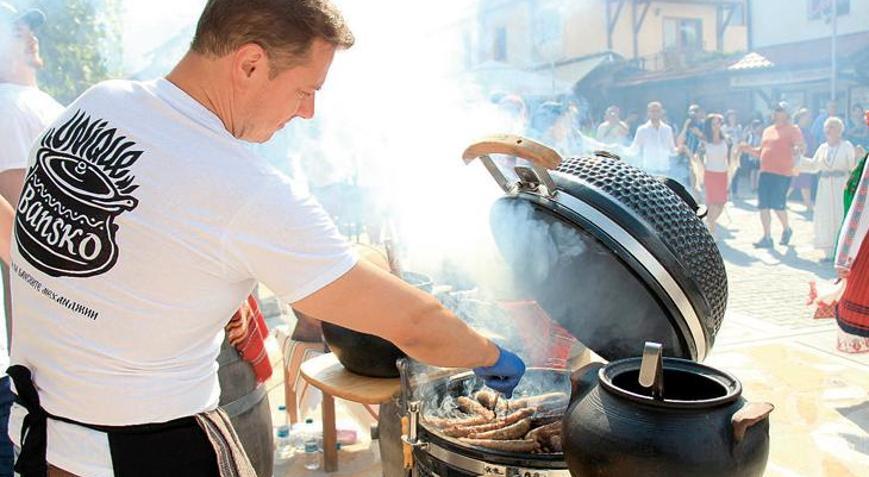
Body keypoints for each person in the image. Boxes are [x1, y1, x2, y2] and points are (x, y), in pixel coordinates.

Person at [6, 1, 526, 475]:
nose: (307, 112)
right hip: (141, 455)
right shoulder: (242, 187)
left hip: (36, 439)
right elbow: (411, 322)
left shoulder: (100, 101)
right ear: (250, 63)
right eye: (306, 90)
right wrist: (488, 355)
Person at [0, 4, 62, 476]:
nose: (28, 34)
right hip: (42, 358)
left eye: (28, 26)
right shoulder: (7, 107)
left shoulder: (30, 104)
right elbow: (29, 239)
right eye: (15, 28)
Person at [741, 102, 805, 249]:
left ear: (787, 113)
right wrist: (748, 149)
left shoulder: (793, 129)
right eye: (775, 109)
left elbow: (801, 146)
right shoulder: (767, 130)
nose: (776, 112)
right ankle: (767, 237)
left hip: (782, 173)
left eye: (780, 110)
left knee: (778, 205)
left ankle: (786, 229)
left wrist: (798, 148)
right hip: (765, 172)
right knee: (763, 205)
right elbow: (761, 151)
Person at [796, 117, 857, 261]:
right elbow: (814, 166)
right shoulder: (823, 148)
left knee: (840, 215)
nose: (828, 131)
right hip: (824, 187)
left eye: (832, 127)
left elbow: (853, 167)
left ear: (840, 131)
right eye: (827, 128)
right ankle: (828, 252)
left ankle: (842, 251)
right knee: (825, 216)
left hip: (841, 186)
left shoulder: (846, 146)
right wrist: (799, 158)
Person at [625, 101, 681, 176]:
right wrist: (620, 149)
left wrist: (679, 150)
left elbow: (671, 150)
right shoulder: (642, 130)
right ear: (648, 113)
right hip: (649, 171)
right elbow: (634, 149)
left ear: (661, 112)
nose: (655, 113)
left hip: (664, 170)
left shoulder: (667, 129)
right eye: (652, 111)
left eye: (657, 111)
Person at [700, 114, 729, 237]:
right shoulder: (704, 142)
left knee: (721, 203)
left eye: (718, 123)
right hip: (710, 174)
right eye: (714, 124)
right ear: (709, 126)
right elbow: (698, 159)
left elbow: (730, 158)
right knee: (712, 204)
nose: (717, 126)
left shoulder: (726, 140)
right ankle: (711, 233)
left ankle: (708, 224)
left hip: (723, 175)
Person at [792, 108, 819, 214]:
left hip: (806, 160)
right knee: (793, 182)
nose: (809, 119)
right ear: (801, 117)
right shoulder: (795, 129)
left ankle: (808, 205)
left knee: (803, 182)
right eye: (807, 116)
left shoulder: (807, 130)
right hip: (797, 159)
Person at [678, 104, 705, 191]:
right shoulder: (687, 125)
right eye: (691, 111)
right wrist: (685, 127)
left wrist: (699, 133)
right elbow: (680, 141)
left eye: (696, 111)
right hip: (688, 156)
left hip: (700, 156)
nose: (693, 113)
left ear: (699, 113)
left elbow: (709, 139)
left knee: (700, 179)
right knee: (690, 179)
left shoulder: (704, 124)